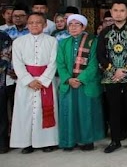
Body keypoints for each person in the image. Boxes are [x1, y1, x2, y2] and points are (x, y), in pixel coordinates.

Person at [97, 1, 127, 153]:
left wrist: (125, 69)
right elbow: (100, 54)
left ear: (126, 13)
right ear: (111, 11)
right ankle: (115, 140)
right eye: (115, 10)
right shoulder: (104, 32)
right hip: (111, 77)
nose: (118, 13)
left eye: (122, 10)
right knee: (113, 109)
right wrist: (112, 69)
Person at [10, 12, 58, 153]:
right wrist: (29, 81)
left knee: (45, 111)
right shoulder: (18, 42)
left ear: (44, 25)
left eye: (38, 22)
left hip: (46, 82)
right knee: (26, 112)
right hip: (26, 83)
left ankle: (47, 142)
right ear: (27, 24)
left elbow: (53, 62)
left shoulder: (52, 41)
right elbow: (17, 64)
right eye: (31, 22)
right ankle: (27, 142)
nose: (34, 25)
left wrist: (43, 80)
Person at [56, 14, 104, 151]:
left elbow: (94, 64)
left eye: (77, 24)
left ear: (83, 27)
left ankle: (87, 141)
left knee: (86, 113)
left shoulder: (92, 41)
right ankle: (69, 141)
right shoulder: (63, 43)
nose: (73, 27)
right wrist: (68, 79)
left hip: (86, 84)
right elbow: (60, 63)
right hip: (68, 83)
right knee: (68, 113)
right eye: (71, 24)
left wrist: (81, 79)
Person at [0, 30, 12, 153]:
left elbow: (5, 58)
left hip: (0, 82)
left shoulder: (3, 36)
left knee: (1, 113)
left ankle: (2, 142)